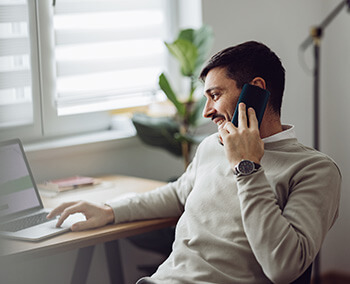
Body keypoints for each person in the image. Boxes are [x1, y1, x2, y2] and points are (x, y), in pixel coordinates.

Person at [47, 41, 341, 283]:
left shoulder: (314, 170)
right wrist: (110, 211)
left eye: (215, 95)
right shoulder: (212, 147)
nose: (207, 112)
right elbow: (177, 193)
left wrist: (247, 166)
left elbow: (284, 267)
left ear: (257, 90)